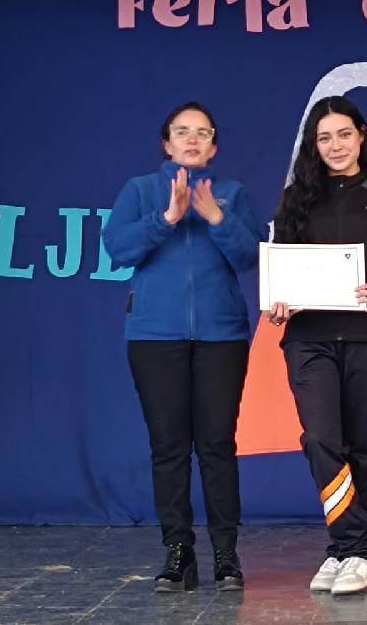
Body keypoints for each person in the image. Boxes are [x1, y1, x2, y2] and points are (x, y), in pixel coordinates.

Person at [103, 102, 263, 592]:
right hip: (154, 337)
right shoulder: (139, 191)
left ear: (213, 146)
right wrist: (167, 217)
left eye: (202, 133)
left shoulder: (232, 193)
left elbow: (250, 257)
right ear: (166, 143)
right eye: (182, 132)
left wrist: (216, 217)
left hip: (222, 336)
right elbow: (118, 249)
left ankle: (226, 553)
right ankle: (178, 551)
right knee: (169, 446)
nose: (192, 140)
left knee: (217, 444)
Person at [269, 96, 367, 595]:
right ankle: (356, 550)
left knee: (362, 446)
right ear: (314, 145)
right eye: (324, 138)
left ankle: (345, 552)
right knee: (320, 440)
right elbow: (281, 268)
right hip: (308, 338)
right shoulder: (295, 198)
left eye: (343, 134)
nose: (335, 145)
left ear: (361, 135)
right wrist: (279, 302)